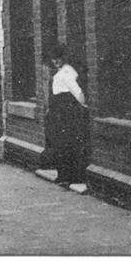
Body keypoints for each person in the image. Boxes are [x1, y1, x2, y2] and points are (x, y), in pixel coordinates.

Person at [42, 44, 89, 185]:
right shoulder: (61, 71)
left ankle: (68, 176)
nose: (55, 61)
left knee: (65, 144)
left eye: (58, 58)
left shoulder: (67, 72)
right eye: (53, 59)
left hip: (65, 113)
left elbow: (77, 91)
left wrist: (84, 104)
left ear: (64, 58)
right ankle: (64, 175)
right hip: (59, 112)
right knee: (61, 144)